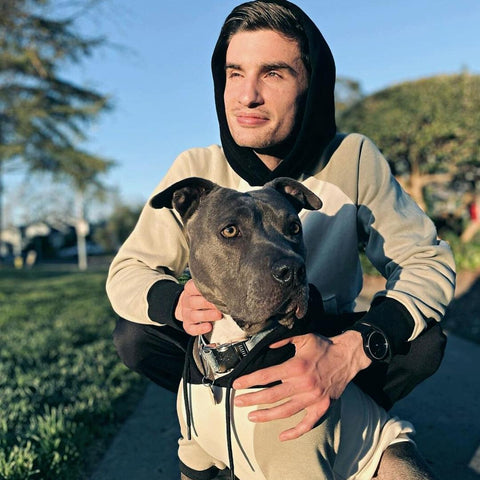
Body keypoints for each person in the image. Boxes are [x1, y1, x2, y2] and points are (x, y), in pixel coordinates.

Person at [107, 0, 455, 477]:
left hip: (320, 333)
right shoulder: (196, 171)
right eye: (234, 73)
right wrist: (175, 302)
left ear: (310, 84)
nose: (247, 95)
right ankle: (228, 426)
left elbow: (426, 260)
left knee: (423, 340)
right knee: (136, 335)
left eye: (273, 73)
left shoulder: (352, 157)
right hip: (222, 339)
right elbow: (127, 271)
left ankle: (329, 427)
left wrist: (353, 350)